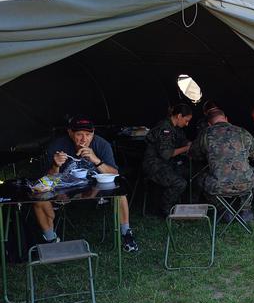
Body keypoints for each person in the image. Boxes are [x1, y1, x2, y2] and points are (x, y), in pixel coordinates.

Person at [34, 115, 138, 251]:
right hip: (64, 188)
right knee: (38, 200)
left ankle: (126, 234)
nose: (84, 139)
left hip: (95, 186)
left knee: (120, 194)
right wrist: (55, 165)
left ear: (93, 133)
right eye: (79, 134)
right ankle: (50, 240)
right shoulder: (58, 146)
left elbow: (114, 174)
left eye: (88, 134)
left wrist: (96, 160)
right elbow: (45, 182)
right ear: (70, 133)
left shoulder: (101, 144)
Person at [191, 108, 254, 222]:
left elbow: (194, 155)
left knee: (200, 178)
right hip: (246, 184)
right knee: (250, 172)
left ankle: (224, 210)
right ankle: (246, 210)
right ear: (226, 119)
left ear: (209, 124)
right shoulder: (242, 132)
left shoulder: (205, 134)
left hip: (218, 186)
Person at [143, 104, 193, 216]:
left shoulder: (175, 128)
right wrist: (187, 148)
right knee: (180, 183)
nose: (187, 124)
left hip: (167, 164)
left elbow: (182, 140)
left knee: (191, 174)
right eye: (186, 120)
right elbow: (167, 154)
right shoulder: (165, 128)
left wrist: (189, 144)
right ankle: (165, 210)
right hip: (155, 165)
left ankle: (183, 206)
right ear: (179, 116)